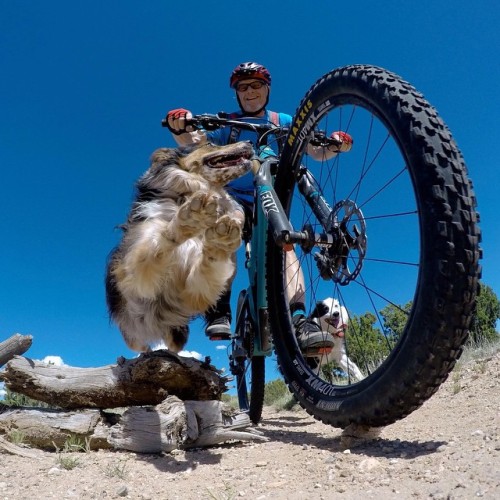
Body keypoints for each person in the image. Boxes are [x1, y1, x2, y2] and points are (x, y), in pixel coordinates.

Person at [165, 62, 353, 354]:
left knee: (286, 246)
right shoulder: (228, 123)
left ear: (267, 89)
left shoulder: (284, 121)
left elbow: (315, 150)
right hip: (235, 199)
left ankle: (300, 321)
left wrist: (335, 144)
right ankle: (219, 311)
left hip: (272, 202)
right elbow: (195, 139)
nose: (250, 91)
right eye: (243, 87)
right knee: (226, 227)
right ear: (236, 94)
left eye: (256, 85)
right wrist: (182, 124)